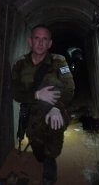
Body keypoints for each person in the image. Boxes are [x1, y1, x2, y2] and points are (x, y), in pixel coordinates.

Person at [12, 24, 75, 184]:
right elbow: (15, 93)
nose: (40, 43)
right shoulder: (20, 64)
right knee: (38, 151)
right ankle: (43, 156)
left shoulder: (59, 61)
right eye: (37, 38)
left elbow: (69, 88)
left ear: (50, 43)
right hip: (32, 115)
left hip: (53, 113)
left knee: (52, 148)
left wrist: (57, 107)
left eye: (44, 39)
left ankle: (50, 165)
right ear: (30, 41)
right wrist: (36, 94)